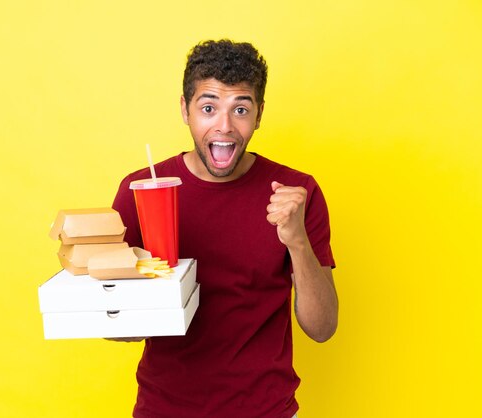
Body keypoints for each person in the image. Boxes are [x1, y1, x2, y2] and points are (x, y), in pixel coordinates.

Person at [112, 39, 338, 418]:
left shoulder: (297, 194)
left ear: (260, 114)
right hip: (165, 410)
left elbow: (323, 327)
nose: (225, 126)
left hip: (268, 411)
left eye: (240, 109)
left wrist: (297, 241)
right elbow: (121, 328)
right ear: (185, 110)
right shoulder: (141, 190)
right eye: (208, 107)